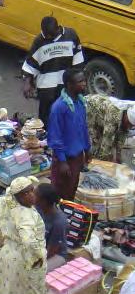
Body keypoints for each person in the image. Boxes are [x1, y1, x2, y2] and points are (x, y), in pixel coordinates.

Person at [0, 176, 47, 294]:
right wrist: (37, 257)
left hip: (8, 254)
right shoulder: (25, 214)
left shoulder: (6, 201)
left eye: (32, 190)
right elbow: (28, 240)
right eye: (28, 193)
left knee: (9, 291)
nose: (33, 195)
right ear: (21, 196)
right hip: (25, 259)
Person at [22, 16, 84, 125]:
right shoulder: (39, 40)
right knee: (45, 119)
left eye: (48, 34)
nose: (45, 36)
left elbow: (78, 61)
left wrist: (78, 84)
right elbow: (31, 63)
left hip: (66, 86)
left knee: (65, 117)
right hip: (46, 88)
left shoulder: (71, 35)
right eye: (44, 33)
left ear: (57, 29)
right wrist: (28, 82)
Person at [48, 68, 91, 201]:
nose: (84, 84)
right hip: (65, 159)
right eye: (80, 81)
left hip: (78, 156)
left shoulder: (80, 102)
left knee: (72, 189)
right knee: (60, 191)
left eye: (84, 80)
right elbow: (55, 137)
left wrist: (87, 149)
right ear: (69, 84)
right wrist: (62, 161)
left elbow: (83, 128)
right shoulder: (59, 108)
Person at [85, 95, 135, 162]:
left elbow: (121, 137)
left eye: (132, 126)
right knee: (96, 140)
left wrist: (118, 155)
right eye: (129, 124)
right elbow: (106, 142)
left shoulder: (126, 120)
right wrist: (106, 163)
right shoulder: (113, 116)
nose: (130, 127)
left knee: (107, 148)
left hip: (103, 113)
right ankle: (91, 161)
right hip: (91, 108)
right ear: (126, 118)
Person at [35, 182, 68, 271]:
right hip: (40, 247)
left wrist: (36, 261)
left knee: (35, 272)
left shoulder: (59, 222)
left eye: (35, 195)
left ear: (44, 201)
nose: (32, 197)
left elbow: (52, 250)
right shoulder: (39, 208)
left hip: (55, 254)